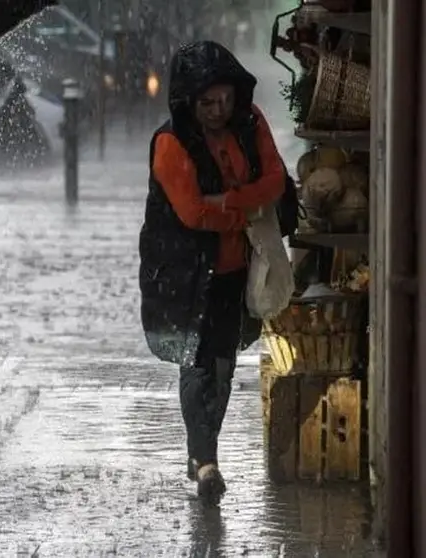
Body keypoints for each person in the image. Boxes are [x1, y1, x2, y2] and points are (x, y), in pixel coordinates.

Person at [137, 40, 286, 501]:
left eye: (225, 99)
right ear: (188, 101)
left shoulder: (250, 123)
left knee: (222, 366)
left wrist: (231, 203)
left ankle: (203, 451)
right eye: (207, 103)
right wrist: (242, 212)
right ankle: (206, 464)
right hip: (183, 273)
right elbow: (191, 212)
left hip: (234, 269)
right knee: (196, 363)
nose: (219, 110)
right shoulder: (170, 143)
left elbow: (276, 180)